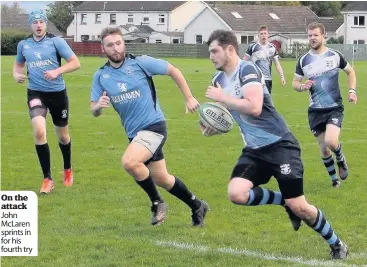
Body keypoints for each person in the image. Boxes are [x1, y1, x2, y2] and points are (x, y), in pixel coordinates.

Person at [200, 29, 348, 259]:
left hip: (281, 147)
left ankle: (337, 243)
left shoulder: (248, 69)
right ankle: (284, 203)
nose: (211, 56)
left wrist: (223, 98)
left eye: (214, 51)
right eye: (209, 52)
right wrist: (212, 127)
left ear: (230, 49)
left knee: (301, 207)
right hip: (254, 150)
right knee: (236, 193)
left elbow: (255, 107)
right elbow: (227, 115)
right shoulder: (217, 81)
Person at [90, 27, 209, 226]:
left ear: (124, 44)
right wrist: (98, 107)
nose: (115, 48)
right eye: (110, 45)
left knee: (129, 162)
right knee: (162, 178)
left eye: (118, 43)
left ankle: (157, 203)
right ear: (103, 49)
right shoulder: (101, 76)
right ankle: (197, 205)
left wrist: (189, 97)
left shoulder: (140, 63)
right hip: (134, 135)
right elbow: (93, 109)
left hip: (153, 126)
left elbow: (173, 70)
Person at [13, 9, 80, 194]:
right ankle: (47, 179)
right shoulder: (23, 45)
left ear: (45, 23)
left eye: (41, 21)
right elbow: (18, 64)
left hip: (57, 94)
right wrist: (16, 74)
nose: (38, 25)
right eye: (35, 22)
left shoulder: (56, 41)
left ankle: (67, 169)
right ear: (31, 25)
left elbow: (75, 62)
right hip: (35, 93)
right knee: (39, 131)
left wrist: (57, 71)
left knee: (63, 137)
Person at [292, 22, 357, 188]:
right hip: (315, 111)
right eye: (309, 35)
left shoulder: (335, 55)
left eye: (315, 35)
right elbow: (295, 82)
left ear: (324, 36)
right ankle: (334, 180)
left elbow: (350, 72)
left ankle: (341, 159)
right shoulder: (303, 60)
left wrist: (352, 91)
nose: (312, 38)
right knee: (324, 150)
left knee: (331, 141)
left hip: (334, 108)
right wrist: (301, 86)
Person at [243, 25, 286, 94]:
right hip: (256, 79)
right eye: (261, 34)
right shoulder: (253, 47)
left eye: (265, 33)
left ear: (268, 35)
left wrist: (282, 76)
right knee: (257, 102)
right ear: (258, 35)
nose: (263, 35)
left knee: (266, 103)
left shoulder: (272, 48)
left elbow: (277, 64)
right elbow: (243, 62)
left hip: (268, 80)